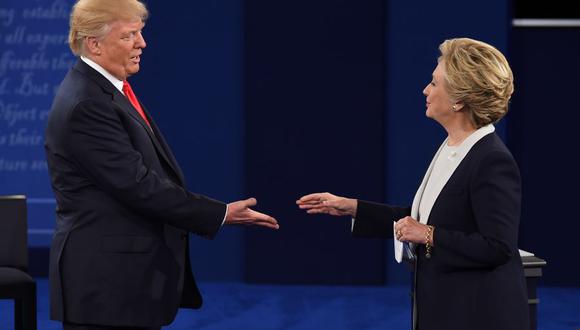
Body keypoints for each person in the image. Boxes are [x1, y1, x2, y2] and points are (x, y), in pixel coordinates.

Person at [44, 0, 279, 329]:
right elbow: (139, 186)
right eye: (129, 36)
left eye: (140, 33)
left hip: (122, 286)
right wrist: (220, 214)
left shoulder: (107, 91)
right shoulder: (87, 104)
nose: (142, 44)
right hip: (106, 288)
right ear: (94, 43)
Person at [297, 38, 529, 330]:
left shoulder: (491, 160)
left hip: (476, 314)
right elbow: (426, 219)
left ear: (459, 99)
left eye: (434, 83)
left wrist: (429, 234)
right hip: (445, 308)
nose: (425, 90)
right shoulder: (453, 147)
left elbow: (498, 247)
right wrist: (353, 208)